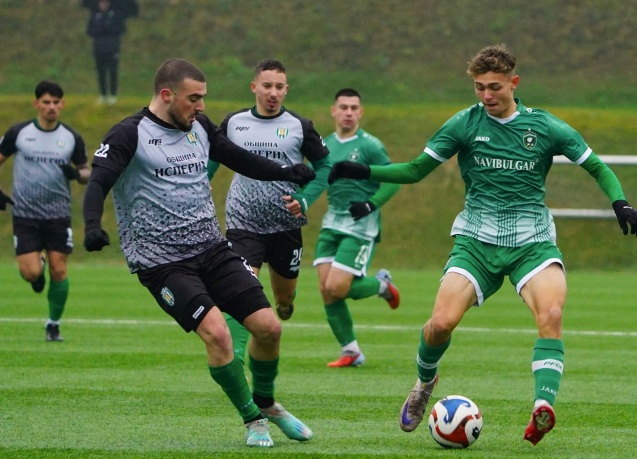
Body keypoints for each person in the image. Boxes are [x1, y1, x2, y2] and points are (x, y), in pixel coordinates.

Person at [328, 45, 637, 445]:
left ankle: (543, 406)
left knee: (552, 313)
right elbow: (416, 170)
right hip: (476, 239)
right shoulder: (464, 123)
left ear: (514, 82)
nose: (486, 95)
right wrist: (362, 169)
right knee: (440, 325)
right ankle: (424, 383)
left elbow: (596, 166)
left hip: (532, 241)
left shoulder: (545, 126)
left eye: (494, 87)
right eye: (479, 87)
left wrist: (620, 202)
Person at [82, 58, 316, 448]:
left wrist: (285, 172)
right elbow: (98, 183)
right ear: (166, 94)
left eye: (203, 98)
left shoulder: (200, 127)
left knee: (269, 328)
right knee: (218, 334)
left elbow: (238, 158)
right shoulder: (129, 133)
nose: (201, 106)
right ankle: (253, 419)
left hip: (212, 248)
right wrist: (92, 225)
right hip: (162, 262)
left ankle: (267, 402)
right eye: (193, 98)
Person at [206, 59, 331, 364]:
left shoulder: (300, 126)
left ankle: (286, 303)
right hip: (243, 220)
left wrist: (305, 199)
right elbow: (212, 158)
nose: (272, 93)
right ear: (254, 87)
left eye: (279, 87)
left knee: (283, 300)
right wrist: (200, 184)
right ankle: (235, 355)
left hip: (285, 224)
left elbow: (325, 166)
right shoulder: (234, 122)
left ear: (286, 90)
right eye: (266, 86)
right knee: (241, 286)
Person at [314, 88, 401, 368]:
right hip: (332, 222)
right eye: (343, 107)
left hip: (361, 225)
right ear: (334, 111)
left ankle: (382, 286)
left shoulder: (370, 145)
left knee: (337, 286)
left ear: (360, 113)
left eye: (354, 108)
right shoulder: (325, 145)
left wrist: (370, 204)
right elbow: (317, 178)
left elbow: (395, 179)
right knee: (327, 290)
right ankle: (351, 352)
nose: (348, 112)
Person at [0, 80, 90, 342]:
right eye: (46, 102)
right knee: (31, 273)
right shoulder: (19, 133)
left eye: (56, 102)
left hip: (58, 215)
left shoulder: (71, 137)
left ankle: (53, 324)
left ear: (62, 105)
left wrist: (76, 174)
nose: (51, 107)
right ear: (36, 104)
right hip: (25, 214)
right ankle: (35, 268)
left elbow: (87, 172)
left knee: (59, 269)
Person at [87, 0, 126, 105]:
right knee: (101, 72)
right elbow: (90, 30)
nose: (103, 5)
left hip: (112, 49)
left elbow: (121, 29)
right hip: (99, 49)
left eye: (105, 3)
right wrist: (101, 28)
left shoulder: (115, 16)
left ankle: (113, 95)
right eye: (101, 3)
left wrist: (108, 27)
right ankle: (103, 94)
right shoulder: (95, 16)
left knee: (113, 72)